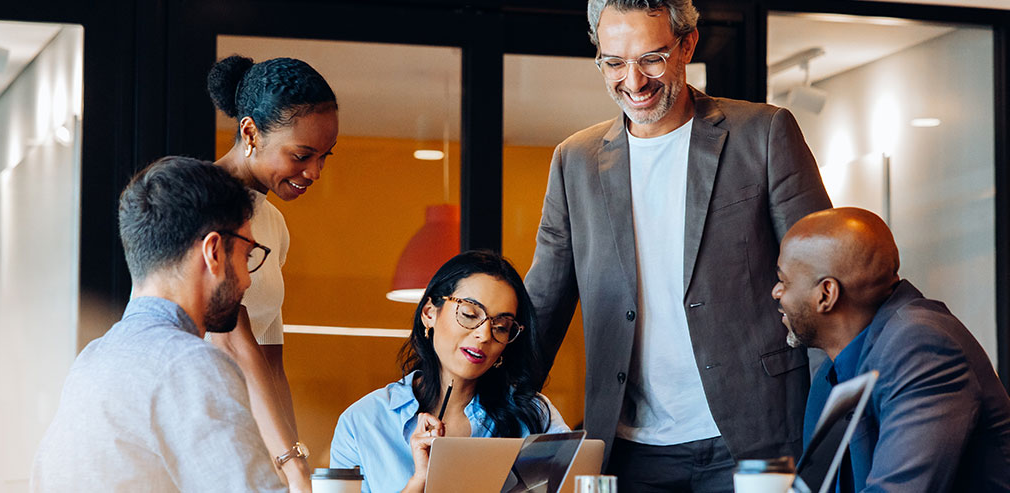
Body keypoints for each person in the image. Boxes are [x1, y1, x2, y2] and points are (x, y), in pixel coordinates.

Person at [524, 0, 832, 490]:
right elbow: (542, 305)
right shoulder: (574, 162)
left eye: (651, 58)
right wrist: (479, 407)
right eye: (614, 62)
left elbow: (822, 281)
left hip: (759, 435)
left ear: (687, 45)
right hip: (630, 448)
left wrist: (828, 425)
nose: (633, 81)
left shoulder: (763, 134)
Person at [31, 156, 282, 492]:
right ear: (213, 252)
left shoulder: (91, 360)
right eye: (247, 256)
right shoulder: (190, 364)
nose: (248, 281)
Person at [771, 207, 1010, 492]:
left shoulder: (921, 347)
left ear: (826, 294)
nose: (776, 292)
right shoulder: (833, 371)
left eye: (783, 281)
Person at [205, 54, 341, 491]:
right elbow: (232, 337)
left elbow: (271, 361)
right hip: (197, 428)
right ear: (250, 133)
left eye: (324, 156)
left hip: (246, 438)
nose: (315, 172)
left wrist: (293, 463)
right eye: (302, 155)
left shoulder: (273, 224)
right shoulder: (199, 202)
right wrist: (291, 464)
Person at [330, 251, 570, 493]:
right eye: (469, 315)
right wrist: (420, 480)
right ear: (429, 313)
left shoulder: (533, 415)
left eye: (501, 327)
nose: (484, 335)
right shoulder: (363, 422)